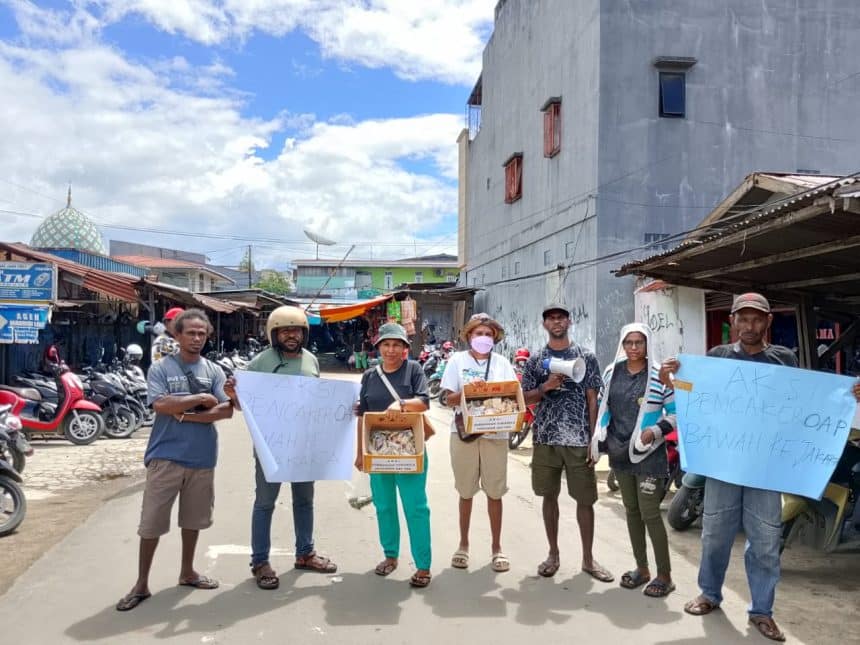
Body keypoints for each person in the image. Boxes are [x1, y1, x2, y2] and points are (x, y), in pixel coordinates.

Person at [660, 293, 860, 642]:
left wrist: (847, 395)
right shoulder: (717, 358)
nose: (750, 326)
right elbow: (693, 395)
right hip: (724, 464)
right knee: (715, 534)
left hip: (767, 468)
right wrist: (672, 379)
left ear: (768, 322)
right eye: (743, 318)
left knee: (766, 541)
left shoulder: (784, 360)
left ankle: (761, 611)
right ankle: (709, 593)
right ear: (733, 321)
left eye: (757, 319)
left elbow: (805, 401)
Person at [116, 309, 235, 612]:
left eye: (202, 333)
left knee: (193, 521)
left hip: (202, 457)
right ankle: (141, 583)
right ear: (177, 335)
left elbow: (226, 410)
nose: (196, 338)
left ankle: (188, 571)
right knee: (151, 523)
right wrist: (199, 400)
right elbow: (160, 404)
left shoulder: (214, 371)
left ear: (208, 336)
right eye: (190, 333)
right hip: (165, 457)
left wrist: (186, 414)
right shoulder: (160, 369)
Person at [233, 305, 337, 590]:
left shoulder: (311, 360)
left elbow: (318, 399)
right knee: (265, 502)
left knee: (304, 500)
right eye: (285, 330)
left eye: (296, 330)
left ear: (303, 333)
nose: (291, 335)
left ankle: (305, 553)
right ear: (274, 334)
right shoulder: (260, 362)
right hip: (271, 446)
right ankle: (260, 561)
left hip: (304, 445)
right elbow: (243, 403)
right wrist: (233, 394)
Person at [520, 303, 614, 582]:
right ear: (544, 325)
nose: (557, 322)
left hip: (577, 439)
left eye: (561, 318)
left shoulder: (586, 356)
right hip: (546, 437)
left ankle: (588, 559)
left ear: (569, 322)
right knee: (549, 496)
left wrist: (592, 437)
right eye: (551, 318)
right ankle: (553, 554)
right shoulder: (536, 360)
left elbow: (592, 398)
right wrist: (545, 387)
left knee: (585, 499)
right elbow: (524, 398)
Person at [591, 323, 676, 597]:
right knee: (632, 511)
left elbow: (675, 413)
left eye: (639, 342)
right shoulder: (611, 371)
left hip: (649, 454)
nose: (634, 347)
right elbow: (604, 407)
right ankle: (642, 569)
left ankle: (665, 574)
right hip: (620, 451)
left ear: (647, 344)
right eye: (629, 342)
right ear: (622, 344)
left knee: (650, 512)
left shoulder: (659, 374)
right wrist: (600, 430)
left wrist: (655, 431)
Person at [354, 322, 432, 588]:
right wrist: (360, 453)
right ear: (378, 348)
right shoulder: (369, 376)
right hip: (378, 450)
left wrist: (400, 404)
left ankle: (423, 565)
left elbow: (424, 401)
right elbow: (362, 416)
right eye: (386, 344)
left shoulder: (413, 370)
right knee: (384, 506)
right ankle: (390, 556)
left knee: (416, 507)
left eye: (396, 345)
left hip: (409, 449)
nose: (390, 349)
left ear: (405, 349)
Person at [440, 313, 517, 573]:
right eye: (478, 334)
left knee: (495, 492)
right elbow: (447, 398)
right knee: (466, 491)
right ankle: (463, 545)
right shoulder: (456, 361)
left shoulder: (503, 363)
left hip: (495, 434)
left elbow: (511, 396)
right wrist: (471, 392)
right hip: (464, 434)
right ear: (468, 336)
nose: (483, 338)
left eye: (488, 334)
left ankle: (497, 548)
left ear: (494, 338)